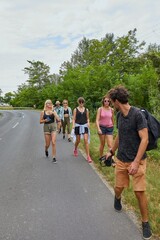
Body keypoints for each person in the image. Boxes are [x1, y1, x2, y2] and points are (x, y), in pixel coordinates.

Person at [106, 86, 152, 240]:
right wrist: (111, 151)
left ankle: (145, 222)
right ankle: (117, 197)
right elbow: (119, 135)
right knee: (118, 187)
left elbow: (144, 139)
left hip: (137, 161)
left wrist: (135, 162)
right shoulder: (119, 115)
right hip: (121, 159)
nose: (111, 104)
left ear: (117, 101)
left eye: (112, 102)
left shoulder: (137, 115)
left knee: (139, 192)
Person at [72, 97, 92, 163]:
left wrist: (88, 123)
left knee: (86, 140)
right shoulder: (75, 110)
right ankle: (75, 148)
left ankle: (88, 156)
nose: (81, 103)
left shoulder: (86, 110)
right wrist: (73, 125)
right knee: (78, 140)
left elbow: (88, 118)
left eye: (82, 102)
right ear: (78, 102)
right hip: (78, 125)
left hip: (84, 125)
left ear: (84, 102)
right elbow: (74, 118)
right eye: (80, 102)